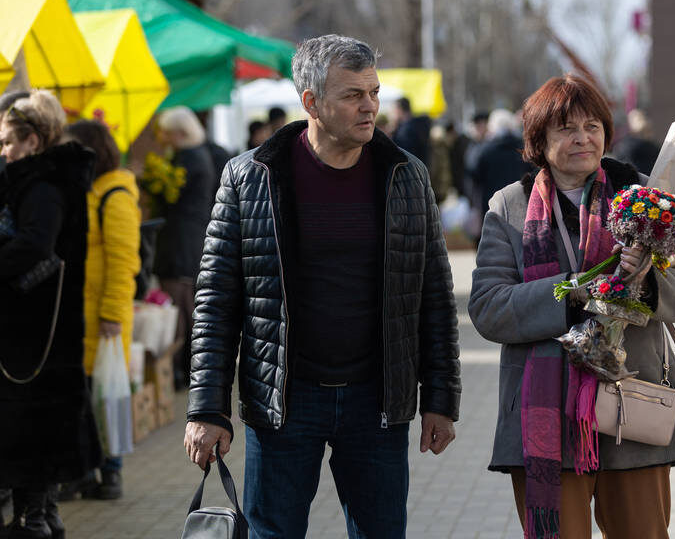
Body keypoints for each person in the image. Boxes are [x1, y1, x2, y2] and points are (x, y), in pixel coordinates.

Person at [183, 34, 461, 539]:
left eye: (374, 92)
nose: (370, 106)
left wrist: (441, 397)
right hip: (284, 400)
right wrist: (207, 407)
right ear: (311, 101)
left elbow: (434, 297)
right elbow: (216, 302)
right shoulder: (250, 178)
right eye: (353, 95)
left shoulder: (407, 176)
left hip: (377, 401)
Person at [468, 74, 675, 538]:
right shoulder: (509, 207)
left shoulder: (644, 197)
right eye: (566, 129)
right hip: (545, 417)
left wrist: (644, 281)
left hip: (630, 408)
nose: (583, 138)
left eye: (593, 125)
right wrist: (576, 290)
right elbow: (489, 308)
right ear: (539, 140)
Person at [0, 90, 103, 539]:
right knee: (38, 429)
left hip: (34, 333)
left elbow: (34, 246)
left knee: (32, 429)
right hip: (36, 331)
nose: (3, 151)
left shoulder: (41, 186)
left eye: (7, 142)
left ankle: (35, 518)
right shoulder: (41, 181)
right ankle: (41, 513)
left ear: (34, 140)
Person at [60, 120, 141, 501]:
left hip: (104, 317)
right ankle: (83, 471)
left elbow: (124, 260)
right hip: (82, 315)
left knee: (106, 395)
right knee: (85, 397)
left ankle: (111, 473)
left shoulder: (116, 193)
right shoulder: (88, 190)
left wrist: (110, 315)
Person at [154, 106, 215, 390]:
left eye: (166, 132)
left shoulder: (188, 160)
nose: (162, 138)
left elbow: (170, 196)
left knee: (180, 307)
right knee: (187, 305)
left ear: (180, 132)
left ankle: (182, 371)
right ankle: (191, 371)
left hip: (181, 243)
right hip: (189, 240)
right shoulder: (194, 156)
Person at [468, 108, 534, 213]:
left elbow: (475, 176)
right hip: (519, 201)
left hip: (491, 203)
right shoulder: (522, 148)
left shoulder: (485, 150)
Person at [613, 108, 660, 176]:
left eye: (642, 118)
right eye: (638, 119)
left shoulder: (650, 145)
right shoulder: (626, 144)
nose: (643, 121)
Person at [391, 96, 432, 168]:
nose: (393, 113)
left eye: (394, 110)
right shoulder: (419, 124)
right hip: (421, 169)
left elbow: (403, 154)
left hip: (411, 170)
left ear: (399, 109)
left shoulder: (405, 130)